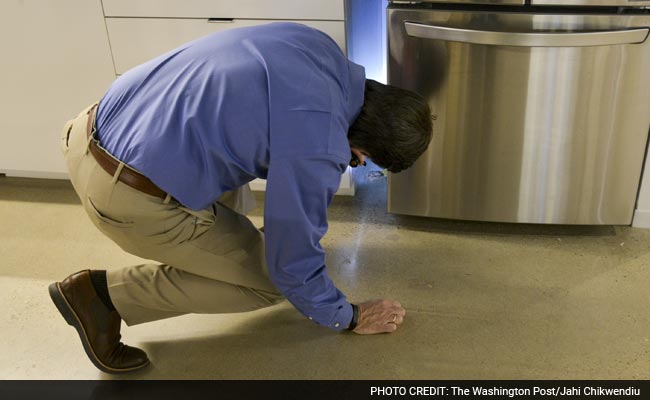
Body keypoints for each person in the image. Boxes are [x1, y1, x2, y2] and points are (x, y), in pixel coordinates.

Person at [49, 22, 432, 374]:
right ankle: (100, 298)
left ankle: (222, 250)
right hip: (121, 194)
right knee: (271, 281)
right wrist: (348, 316)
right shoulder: (321, 144)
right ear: (362, 149)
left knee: (244, 172)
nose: (355, 164)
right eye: (363, 161)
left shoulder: (319, 46)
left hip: (93, 128)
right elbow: (292, 267)